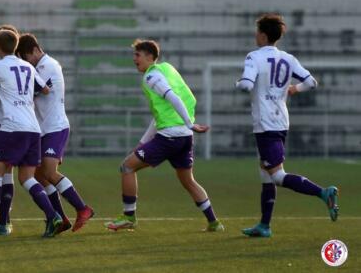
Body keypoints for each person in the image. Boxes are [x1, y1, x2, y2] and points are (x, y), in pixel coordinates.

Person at [235, 13, 339, 237]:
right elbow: (311, 82)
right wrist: (294, 89)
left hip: (265, 123)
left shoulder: (253, 57)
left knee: (277, 175)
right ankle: (264, 225)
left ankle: (324, 193)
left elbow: (245, 85)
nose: (255, 35)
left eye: (257, 32)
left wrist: (240, 82)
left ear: (262, 35)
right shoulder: (288, 59)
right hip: (281, 120)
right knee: (265, 173)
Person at [105, 39, 224, 232]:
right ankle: (214, 222)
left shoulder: (152, 77)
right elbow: (161, 114)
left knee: (127, 167)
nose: (134, 59)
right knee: (188, 180)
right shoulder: (167, 69)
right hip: (183, 137)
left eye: (138, 55)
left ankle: (128, 216)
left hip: (170, 137)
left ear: (150, 57)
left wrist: (190, 123)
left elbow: (172, 97)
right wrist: (142, 143)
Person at [0, 29, 62, 237]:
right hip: (33, 129)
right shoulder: (28, 68)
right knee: (27, 178)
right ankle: (53, 216)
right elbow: (45, 90)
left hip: (12, 127)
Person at [16, 33, 94, 233]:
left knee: (49, 172)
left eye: (25, 57)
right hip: (44, 129)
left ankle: (82, 208)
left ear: (34, 50)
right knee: (41, 176)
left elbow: (39, 90)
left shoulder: (47, 65)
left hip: (55, 127)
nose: (26, 63)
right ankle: (61, 218)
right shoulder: (39, 66)